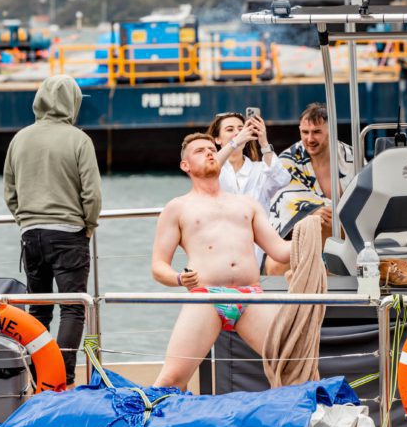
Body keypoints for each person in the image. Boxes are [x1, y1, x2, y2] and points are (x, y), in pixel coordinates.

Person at [151, 132, 292, 391]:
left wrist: (312, 236)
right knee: (170, 380)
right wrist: (179, 278)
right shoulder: (178, 207)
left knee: (294, 364)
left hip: (250, 297)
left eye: (211, 149)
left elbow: (281, 251)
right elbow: (158, 266)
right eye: (200, 151)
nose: (209, 153)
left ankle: (317, 422)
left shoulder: (246, 204)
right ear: (185, 166)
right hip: (205, 297)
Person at [3, 75, 102, 387]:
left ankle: (36, 376)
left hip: (31, 235)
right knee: (73, 309)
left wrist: (25, 220)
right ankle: (62, 378)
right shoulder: (78, 139)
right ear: (72, 102)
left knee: (38, 309)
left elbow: (10, 192)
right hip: (69, 233)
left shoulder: (19, 138)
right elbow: (92, 194)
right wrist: (88, 226)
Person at [265, 103, 356, 275]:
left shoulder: (351, 158)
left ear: (331, 132)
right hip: (303, 234)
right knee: (274, 267)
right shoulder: (288, 160)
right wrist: (311, 211)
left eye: (316, 132)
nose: (310, 139)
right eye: (305, 132)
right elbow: (283, 198)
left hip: (347, 235)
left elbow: (367, 198)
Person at [206, 112, 290, 264]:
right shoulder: (214, 170)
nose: (237, 133)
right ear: (217, 139)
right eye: (230, 129)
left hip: (253, 256)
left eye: (241, 128)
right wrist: (234, 142)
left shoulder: (260, 170)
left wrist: (264, 143)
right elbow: (205, 171)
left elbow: (282, 179)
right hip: (216, 252)